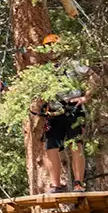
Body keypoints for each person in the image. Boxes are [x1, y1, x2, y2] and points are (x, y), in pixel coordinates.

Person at [35, 34, 89, 193]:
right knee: (51, 148)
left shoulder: (73, 64)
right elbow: (29, 89)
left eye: (54, 45)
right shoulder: (45, 70)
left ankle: (78, 183)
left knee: (76, 146)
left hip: (73, 110)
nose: (51, 50)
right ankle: (56, 185)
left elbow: (93, 77)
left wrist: (86, 97)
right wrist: (5, 88)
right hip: (54, 113)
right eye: (48, 47)